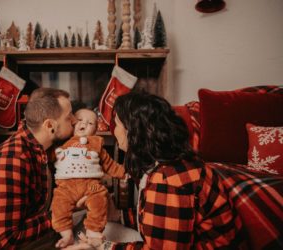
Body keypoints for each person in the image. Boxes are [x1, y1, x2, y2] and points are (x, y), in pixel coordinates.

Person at [65, 91, 246, 250]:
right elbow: (160, 220)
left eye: (117, 124)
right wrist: (115, 213)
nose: (114, 131)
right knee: (89, 225)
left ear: (134, 132)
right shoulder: (171, 164)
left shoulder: (167, 181)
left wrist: (104, 246)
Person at [0, 88, 77, 249]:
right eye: (69, 117)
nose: (75, 120)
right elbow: (8, 239)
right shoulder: (12, 160)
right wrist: (63, 213)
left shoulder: (41, 148)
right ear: (50, 125)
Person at [51, 109, 126, 248]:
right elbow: (51, 158)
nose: (84, 124)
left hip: (91, 185)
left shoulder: (96, 143)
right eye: (79, 120)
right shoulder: (63, 142)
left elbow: (109, 164)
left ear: (96, 129)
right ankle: (67, 235)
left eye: (90, 122)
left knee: (99, 199)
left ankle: (93, 231)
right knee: (59, 205)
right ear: (72, 123)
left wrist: (124, 172)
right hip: (66, 187)